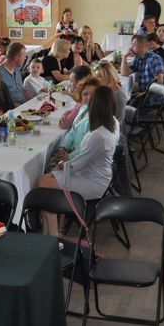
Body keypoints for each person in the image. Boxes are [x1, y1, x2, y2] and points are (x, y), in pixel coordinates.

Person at [37, 86, 119, 235]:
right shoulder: (113, 123)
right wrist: (62, 165)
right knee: (42, 181)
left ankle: (53, 234)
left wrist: (60, 164)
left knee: (44, 185)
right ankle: (48, 232)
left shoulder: (98, 135)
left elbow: (75, 166)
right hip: (96, 174)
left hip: (93, 181)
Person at [55, 77, 101, 162]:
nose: (89, 97)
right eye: (85, 94)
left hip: (84, 161)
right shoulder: (83, 108)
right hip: (74, 154)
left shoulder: (98, 118)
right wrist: (63, 147)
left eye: (92, 93)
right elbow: (73, 131)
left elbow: (90, 149)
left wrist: (69, 157)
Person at [0, 42, 28, 106]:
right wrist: (22, 107)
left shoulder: (16, 69)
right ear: (16, 58)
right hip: (13, 108)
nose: (25, 58)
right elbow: (1, 99)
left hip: (24, 105)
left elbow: (22, 89)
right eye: (23, 55)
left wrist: (32, 101)